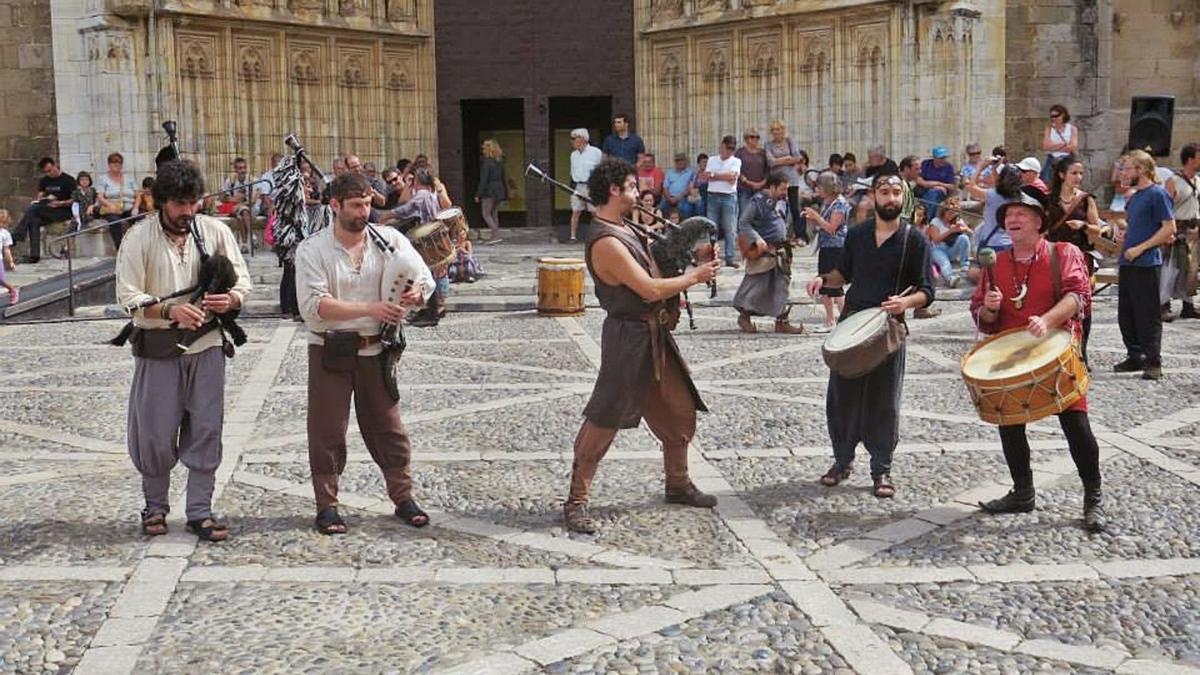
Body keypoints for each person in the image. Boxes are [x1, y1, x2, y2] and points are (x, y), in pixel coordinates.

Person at [563, 156, 721, 534]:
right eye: (632, 186)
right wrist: (696, 277)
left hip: (654, 333)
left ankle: (678, 483)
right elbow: (648, 288)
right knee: (605, 417)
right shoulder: (605, 242)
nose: (638, 192)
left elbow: (657, 263)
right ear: (615, 190)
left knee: (679, 409)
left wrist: (691, 255)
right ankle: (576, 501)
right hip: (627, 338)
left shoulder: (626, 227)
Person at [114, 159, 252, 541]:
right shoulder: (139, 238)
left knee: (206, 429)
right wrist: (169, 308)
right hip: (159, 349)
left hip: (206, 347)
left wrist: (230, 300)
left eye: (193, 203)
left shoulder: (213, 232)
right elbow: (127, 296)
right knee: (155, 434)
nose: (187, 212)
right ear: (161, 201)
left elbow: (242, 282)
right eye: (179, 204)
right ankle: (154, 507)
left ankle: (200, 511)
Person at [294, 172, 434, 534]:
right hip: (331, 348)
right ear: (335, 205)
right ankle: (327, 505)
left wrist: (417, 294)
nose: (364, 212)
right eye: (356, 205)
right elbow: (314, 307)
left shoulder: (388, 239)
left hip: (377, 348)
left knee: (389, 427)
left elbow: (423, 279)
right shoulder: (313, 249)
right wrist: (369, 309)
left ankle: (403, 497)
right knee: (327, 430)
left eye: (368, 204)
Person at [970, 189, 1105, 532]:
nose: (1012, 220)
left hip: (1056, 352)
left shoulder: (1064, 253)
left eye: (1021, 214)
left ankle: (1093, 497)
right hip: (1013, 356)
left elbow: (1079, 296)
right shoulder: (996, 263)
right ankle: (1022, 492)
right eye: (1008, 215)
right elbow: (983, 318)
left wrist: (1047, 321)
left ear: (1039, 222)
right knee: (1009, 422)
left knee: (1076, 425)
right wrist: (989, 307)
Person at [806, 172, 934, 499]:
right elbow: (843, 274)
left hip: (888, 329)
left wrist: (905, 302)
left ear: (902, 197)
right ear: (873, 196)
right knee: (841, 399)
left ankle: (881, 468)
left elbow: (926, 290)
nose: (890, 198)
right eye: (884, 192)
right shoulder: (858, 235)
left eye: (895, 192)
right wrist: (824, 281)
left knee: (883, 401)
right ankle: (842, 460)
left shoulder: (914, 239)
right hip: (853, 322)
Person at [1114, 150, 1176, 380]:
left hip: (1146, 263)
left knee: (1147, 314)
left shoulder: (1157, 194)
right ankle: (1135, 355)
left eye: (1127, 168)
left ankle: (1153, 362)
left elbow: (1169, 228)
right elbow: (1139, 226)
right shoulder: (1134, 197)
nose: (1123, 172)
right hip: (1128, 262)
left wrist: (1140, 248)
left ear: (1141, 170)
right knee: (1126, 314)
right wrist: (1125, 235)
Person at [1047, 154, 1102, 364]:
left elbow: (1099, 229)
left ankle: (1081, 353)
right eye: (1074, 173)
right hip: (1054, 259)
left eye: (1080, 173)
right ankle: (1056, 354)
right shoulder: (1049, 200)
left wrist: (1084, 226)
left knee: (1082, 306)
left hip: (1080, 260)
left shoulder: (1086, 199)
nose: (1078, 177)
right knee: (1054, 304)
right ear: (1062, 175)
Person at [734, 171, 804, 335]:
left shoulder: (780, 202)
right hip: (765, 252)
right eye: (782, 189)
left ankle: (781, 321)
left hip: (780, 251)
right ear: (772, 187)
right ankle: (745, 316)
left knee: (781, 286)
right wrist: (757, 239)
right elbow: (743, 222)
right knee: (757, 287)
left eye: (786, 189)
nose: (785, 192)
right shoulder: (757, 202)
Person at [388, 168, 448, 327]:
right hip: (429, 236)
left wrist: (387, 215)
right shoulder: (429, 192)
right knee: (426, 273)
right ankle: (427, 310)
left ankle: (432, 312)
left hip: (424, 239)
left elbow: (406, 208)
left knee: (424, 273)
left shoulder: (421, 194)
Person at [804, 171, 851, 332]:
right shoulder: (828, 202)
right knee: (824, 284)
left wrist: (816, 217)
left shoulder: (839, 204)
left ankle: (845, 320)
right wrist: (814, 218)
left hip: (836, 248)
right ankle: (830, 320)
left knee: (835, 286)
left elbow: (832, 228)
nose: (817, 189)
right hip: (826, 247)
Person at [13, 157, 76, 263]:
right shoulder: (44, 180)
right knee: (34, 220)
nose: (49, 173)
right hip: (46, 208)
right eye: (46, 172)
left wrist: (60, 203)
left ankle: (18, 234)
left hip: (63, 210)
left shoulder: (68, 180)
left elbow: (75, 199)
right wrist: (43, 198)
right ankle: (34, 256)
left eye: (50, 170)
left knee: (33, 209)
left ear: (55, 166)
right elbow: (39, 196)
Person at [1163, 143, 1199, 320]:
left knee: (1190, 269)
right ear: (1191, 159)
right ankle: (1163, 304)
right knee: (1172, 268)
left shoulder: (1198, 181)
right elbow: (1166, 207)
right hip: (1177, 230)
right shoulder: (1173, 181)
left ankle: (1188, 306)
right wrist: (1167, 230)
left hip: (1193, 231)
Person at [704, 135, 742, 268]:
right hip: (713, 195)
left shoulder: (736, 161)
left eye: (732, 149)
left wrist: (715, 175)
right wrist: (723, 176)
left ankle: (730, 257)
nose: (729, 151)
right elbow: (706, 176)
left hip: (728, 196)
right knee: (711, 228)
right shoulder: (712, 159)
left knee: (730, 228)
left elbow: (732, 178)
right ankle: (711, 256)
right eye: (727, 148)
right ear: (722, 146)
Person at [764, 121, 805, 241]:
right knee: (774, 207)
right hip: (776, 180)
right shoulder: (768, 144)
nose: (776, 132)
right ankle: (774, 233)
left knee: (795, 208)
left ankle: (799, 236)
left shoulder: (790, 141)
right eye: (773, 130)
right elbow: (770, 162)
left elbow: (798, 158)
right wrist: (787, 159)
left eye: (778, 129)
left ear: (783, 130)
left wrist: (779, 160)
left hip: (791, 180)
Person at [927, 197, 973, 289]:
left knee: (964, 238)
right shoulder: (935, 221)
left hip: (952, 248)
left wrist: (964, 229)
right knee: (944, 263)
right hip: (938, 249)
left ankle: (965, 264)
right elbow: (936, 239)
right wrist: (950, 231)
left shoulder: (958, 220)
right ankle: (950, 278)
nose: (952, 215)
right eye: (950, 212)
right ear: (944, 212)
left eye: (954, 212)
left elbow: (972, 233)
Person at [95, 152, 136, 249]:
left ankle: (138, 245)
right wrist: (109, 205)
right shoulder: (103, 179)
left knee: (141, 218)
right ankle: (120, 248)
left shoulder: (129, 178)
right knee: (115, 222)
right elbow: (100, 196)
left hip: (128, 207)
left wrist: (136, 208)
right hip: (112, 208)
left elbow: (138, 195)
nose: (117, 166)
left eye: (119, 163)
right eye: (114, 163)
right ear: (109, 165)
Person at [569, 128, 603, 242]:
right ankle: (573, 237)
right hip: (578, 185)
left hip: (591, 185)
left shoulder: (596, 152)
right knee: (576, 211)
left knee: (594, 211)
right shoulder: (573, 155)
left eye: (574, 138)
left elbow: (601, 169)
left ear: (582, 139)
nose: (572, 141)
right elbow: (572, 171)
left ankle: (597, 235)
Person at [218, 157, 257, 253]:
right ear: (235, 170)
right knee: (241, 212)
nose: (242, 170)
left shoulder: (252, 180)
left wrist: (239, 203)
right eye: (240, 168)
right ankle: (251, 236)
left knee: (242, 212)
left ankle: (244, 244)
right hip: (235, 208)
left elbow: (252, 200)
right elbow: (223, 197)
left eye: (244, 167)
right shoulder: (231, 180)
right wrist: (235, 199)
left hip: (252, 209)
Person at [475, 139, 508, 242]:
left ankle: (496, 235)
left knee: (486, 214)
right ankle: (494, 236)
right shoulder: (499, 162)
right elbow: (503, 177)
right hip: (499, 189)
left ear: (488, 149)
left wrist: (478, 194)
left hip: (489, 191)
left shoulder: (487, 163)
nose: (483, 150)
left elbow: (484, 180)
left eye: (484, 148)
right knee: (494, 213)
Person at [735, 129, 771, 214]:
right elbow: (736, 169)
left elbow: (768, 169)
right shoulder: (740, 152)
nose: (755, 139)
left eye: (757, 137)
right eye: (752, 137)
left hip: (761, 188)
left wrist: (762, 183)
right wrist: (747, 182)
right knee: (744, 213)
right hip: (744, 188)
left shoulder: (763, 153)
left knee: (760, 213)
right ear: (746, 139)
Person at [1041, 104, 1079, 182]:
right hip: (1052, 159)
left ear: (1063, 115)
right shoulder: (1049, 129)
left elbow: (1072, 146)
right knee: (1046, 180)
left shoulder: (1072, 129)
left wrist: (1053, 146)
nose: (1054, 118)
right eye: (1052, 116)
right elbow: (1045, 146)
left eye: (1056, 116)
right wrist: (1064, 144)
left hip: (1066, 159)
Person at [661, 153, 696, 219]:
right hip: (669, 197)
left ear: (686, 161)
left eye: (681, 160)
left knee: (684, 209)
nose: (679, 162)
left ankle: (683, 227)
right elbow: (665, 188)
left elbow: (689, 188)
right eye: (677, 160)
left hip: (683, 197)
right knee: (660, 208)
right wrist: (669, 199)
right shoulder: (670, 172)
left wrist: (677, 198)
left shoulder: (691, 172)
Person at [0, 210, 18, 304]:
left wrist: (10, 261)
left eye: (2, 223)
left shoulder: (5, 234)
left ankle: (12, 290)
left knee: (1, 280)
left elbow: (6, 249)